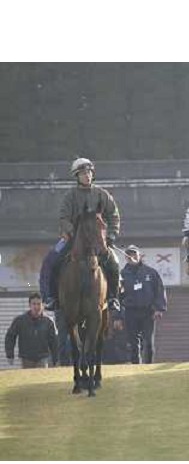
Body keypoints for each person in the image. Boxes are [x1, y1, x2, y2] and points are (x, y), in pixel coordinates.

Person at [39, 157, 121, 312]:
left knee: (114, 264)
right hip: (73, 239)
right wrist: (71, 232)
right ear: (76, 176)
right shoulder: (69, 196)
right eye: (83, 173)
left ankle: (113, 298)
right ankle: (50, 297)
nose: (87, 175)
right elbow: (63, 217)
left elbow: (114, 216)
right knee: (50, 261)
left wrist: (111, 236)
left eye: (89, 172)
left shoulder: (102, 194)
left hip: (98, 241)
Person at [113, 245, 167, 365]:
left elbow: (159, 290)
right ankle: (136, 366)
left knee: (148, 342)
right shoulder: (122, 275)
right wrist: (117, 317)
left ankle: (148, 366)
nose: (132, 257)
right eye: (129, 255)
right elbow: (117, 297)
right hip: (130, 312)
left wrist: (159, 308)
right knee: (133, 343)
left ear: (140, 256)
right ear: (126, 258)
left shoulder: (151, 273)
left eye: (134, 254)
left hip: (148, 312)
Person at [4, 292, 58, 368]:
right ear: (29, 305)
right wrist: (10, 354)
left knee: (42, 379)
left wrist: (56, 359)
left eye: (39, 304)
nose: (36, 307)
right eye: (34, 304)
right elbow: (10, 336)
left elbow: (54, 342)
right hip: (26, 359)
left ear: (42, 305)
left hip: (43, 359)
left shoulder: (48, 322)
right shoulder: (20, 320)